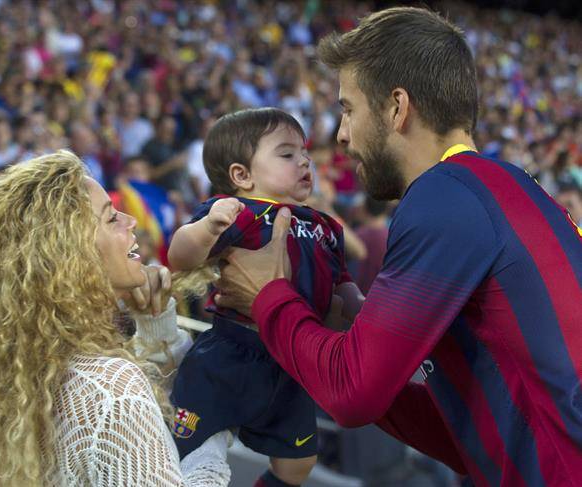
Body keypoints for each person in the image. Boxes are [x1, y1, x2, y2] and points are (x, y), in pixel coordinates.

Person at [215, 7, 582, 487]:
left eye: (348, 110)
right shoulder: (511, 185)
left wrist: (268, 299)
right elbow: (479, 430)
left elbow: (352, 394)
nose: (342, 135)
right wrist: (349, 335)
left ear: (396, 107)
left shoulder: (442, 194)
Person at [0, 150, 231, 486]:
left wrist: (156, 324)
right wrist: (212, 435)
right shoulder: (110, 388)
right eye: (111, 218)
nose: (131, 220)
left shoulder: (35, 371)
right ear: (70, 255)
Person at [167, 108, 364, 487]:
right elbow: (180, 255)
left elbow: (341, 281)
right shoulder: (241, 213)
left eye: (304, 152)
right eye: (287, 154)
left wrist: (360, 306)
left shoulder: (324, 225)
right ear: (242, 175)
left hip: (293, 358)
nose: (304, 161)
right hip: (231, 354)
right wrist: (207, 227)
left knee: (299, 464)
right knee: (184, 445)